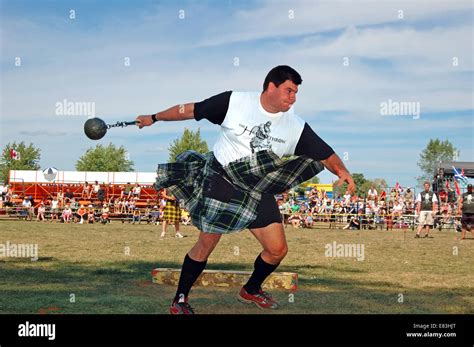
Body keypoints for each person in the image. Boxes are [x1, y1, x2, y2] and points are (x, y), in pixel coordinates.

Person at [136, 65, 355, 314]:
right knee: (206, 244)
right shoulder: (235, 102)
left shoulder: (295, 126)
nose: (293, 98)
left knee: (277, 250)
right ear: (271, 86)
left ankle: (251, 289)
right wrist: (153, 117)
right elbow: (190, 110)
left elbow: (325, 154)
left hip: (257, 189)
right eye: (289, 91)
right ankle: (180, 300)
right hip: (222, 181)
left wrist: (342, 171)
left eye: (296, 93)